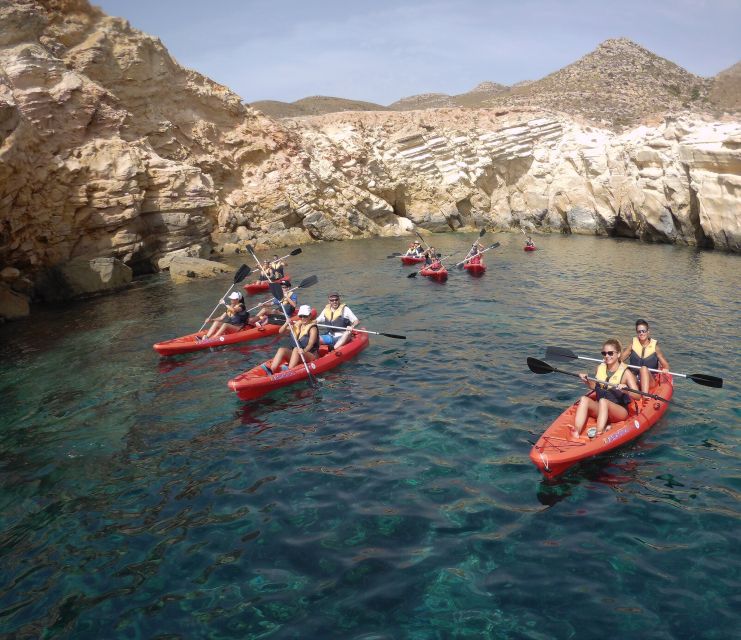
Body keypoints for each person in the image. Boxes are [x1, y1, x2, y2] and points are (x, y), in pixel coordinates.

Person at [572, 338, 640, 439]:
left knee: (603, 401)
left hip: (619, 412)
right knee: (584, 399)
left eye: (610, 353)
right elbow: (596, 387)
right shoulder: (600, 368)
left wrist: (626, 390)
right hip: (602, 409)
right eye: (604, 353)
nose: (607, 356)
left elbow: (638, 396)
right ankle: (576, 431)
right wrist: (586, 381)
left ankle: (599, 433)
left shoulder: (626, 373)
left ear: (618, 354)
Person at [264, 304, 319, 374]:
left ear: (310, 316)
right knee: (282, 350)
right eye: (300, 316)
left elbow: (311, 344)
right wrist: (286, 324)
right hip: (297, 354)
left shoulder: (313, 328)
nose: (302, 318)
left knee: (296, 349)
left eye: (305, 316)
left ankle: (289, 371)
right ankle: (272, 369)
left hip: (311, 355)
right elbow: (280, 331)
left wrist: (304, 351)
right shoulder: (297, 325)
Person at [621, 319, 669, 394]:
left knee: (643, 369)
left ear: (648, 332)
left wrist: (665, 369)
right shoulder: (632, 345)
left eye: (643, 331)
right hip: (635, 378)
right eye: (639, 331)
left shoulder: (655, 347)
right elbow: (620, 359)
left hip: (650, 380)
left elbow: (666, 366)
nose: (641, 333)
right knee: (625, 370)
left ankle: (645, 394)